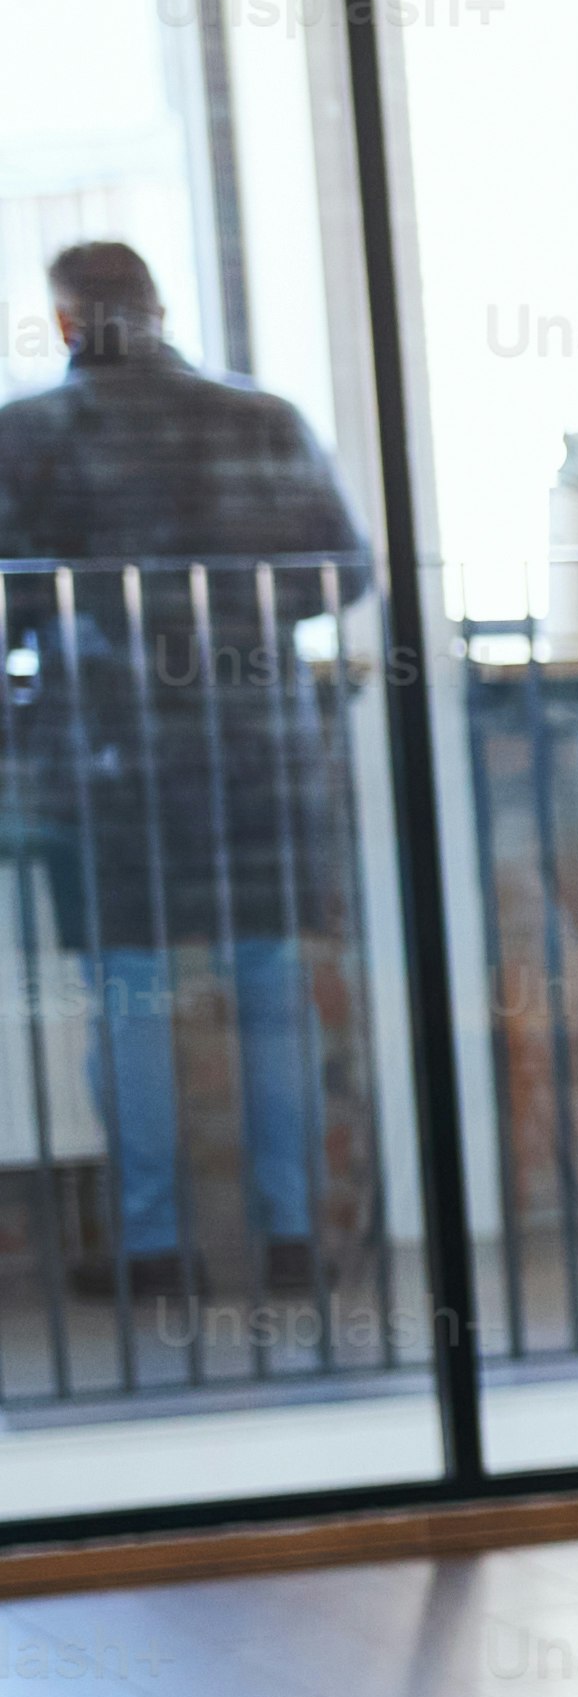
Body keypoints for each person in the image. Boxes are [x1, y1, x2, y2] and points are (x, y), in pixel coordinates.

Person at [0, 241, 371, 1319]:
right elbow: (342, 575)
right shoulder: (264, 419)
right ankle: (294, 1239)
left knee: (130, 1003)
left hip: (107, 764)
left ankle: (156, 1252)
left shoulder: (25, 436)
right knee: (269, 1000)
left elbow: (17, 603)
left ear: (66, 320)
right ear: (157, 307)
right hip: (259, 757)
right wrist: (224, 615)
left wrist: (108, 616)